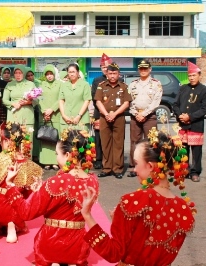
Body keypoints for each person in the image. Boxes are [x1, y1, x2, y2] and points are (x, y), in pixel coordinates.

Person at [80, 129, 196, 265]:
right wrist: (121, 221)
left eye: (136, 163)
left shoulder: (133, 202)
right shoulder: (184, 210)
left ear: (151, 166)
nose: (134, 169)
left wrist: (87, 214)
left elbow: (113, 253)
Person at [5, 129, 99, 266]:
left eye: (57, 154)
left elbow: (26, 212)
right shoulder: (93, 181)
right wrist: (40, 190)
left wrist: (10, 185)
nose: (56, 157)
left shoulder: (56, 182)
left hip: (52, 243)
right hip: (78, 246)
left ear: (67, 155)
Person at [172, 61, 206, 182]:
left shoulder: (205, 90)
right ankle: (184, 170)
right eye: (190, 76)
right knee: (183, 149)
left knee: (196, 150)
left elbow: (204, 109)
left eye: (194, 75)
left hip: (196, 125)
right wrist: (180, 116)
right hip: (183, 124)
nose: (192, 78)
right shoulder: (183, 88)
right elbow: (175, 104)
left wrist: (190, 117)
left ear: (199, 75)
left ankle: (195, 172)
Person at [94, 62, 131, 179]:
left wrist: (114, 114)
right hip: (104, 118)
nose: (112, 76)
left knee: (118, 143)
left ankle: (117, 169)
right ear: (107, 74)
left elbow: (126, 103)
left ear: (118, 74)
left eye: (115, 73)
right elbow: (98, 101)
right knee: (105, 143)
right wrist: (106, 114)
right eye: (110, 73)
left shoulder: (124, 86)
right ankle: (106, 168)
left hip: (119, 117)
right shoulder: (101, 85)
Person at [127, 60, 162, 178]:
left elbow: (156, 102)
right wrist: (136, 113)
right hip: (135, 116)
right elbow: (129, 101)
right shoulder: (133, 84)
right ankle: (134, 166)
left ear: (150, 69)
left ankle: (151, 165)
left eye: (145, 68)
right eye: (141, 69)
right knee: (134, 142)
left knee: (151, 142)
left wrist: (144, 114)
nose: (143, 71)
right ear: (138, 69)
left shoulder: (156, 84)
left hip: (149, 116)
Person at [2, 65, 37, 153]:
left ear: (24, 73)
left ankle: (27, 164)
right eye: (16, 73)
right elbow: (4, 100)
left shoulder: (31, 84)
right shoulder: (10, 84)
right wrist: (13, 103)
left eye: (20, 73)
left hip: (27, 116)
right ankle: (14, 163)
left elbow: (37, 100)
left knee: (27, 142)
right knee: (13, 142)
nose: (18, 75)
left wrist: (27, 102)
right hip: (13, 116)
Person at [38, 64, 62, 170]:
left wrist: (52, 109)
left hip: (56, 114)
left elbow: (61, 98)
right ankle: (46, 162)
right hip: (44, 115)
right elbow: (38, 99)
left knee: (55, 137)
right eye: (47, 74)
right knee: (45, 138)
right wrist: (44, 111)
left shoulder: (60, 84)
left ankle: (55, 161)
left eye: (51, 74)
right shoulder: (41, 85)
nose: (49, 76)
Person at [90, 53, 112, 170]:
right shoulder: (96, 80)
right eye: (103, 67)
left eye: (107, 67)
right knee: (98, 138)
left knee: (111, 137)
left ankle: (110, 159)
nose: (105, 69)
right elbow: (94, 97)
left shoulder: (117, 78)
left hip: (114, 113)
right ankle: (98, 159)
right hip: (99, 112)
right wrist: (104, 111)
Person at [59, 63, 92, 134]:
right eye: (69, 72)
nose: (71, 74)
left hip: (81, 120)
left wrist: (78, 116)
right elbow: (61, 100)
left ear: (77, 72)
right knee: (66, 143)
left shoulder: (85, 84)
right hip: (66, 120)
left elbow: (87, 101)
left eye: (73, 72)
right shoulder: (64, 85)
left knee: (80, 143)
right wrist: (64, 115)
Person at [0, 67, 12, 152]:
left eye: (8, 73)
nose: (6, 74)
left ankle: (8, 148)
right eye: (4, 73)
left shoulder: (12, 83)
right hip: (0, 109)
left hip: (9, 109)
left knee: (8, 129)